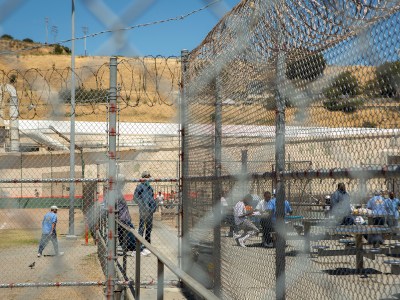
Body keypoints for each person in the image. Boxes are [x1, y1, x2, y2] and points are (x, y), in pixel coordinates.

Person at [115, 174, 150, 257]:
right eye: (122, 183)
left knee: (127, 234)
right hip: (122, 218)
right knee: (131, 234)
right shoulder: (115, 192)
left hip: (123, 217)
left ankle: (136, 248)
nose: (123, 185)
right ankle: (137, 249)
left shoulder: (117, 191)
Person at [134, 171, 157, 244]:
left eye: (149, 178)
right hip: (143, 211)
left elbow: (152, 198)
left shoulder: (150, 188)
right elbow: (135, 198)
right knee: (142, 227)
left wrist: (153, 207)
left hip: (150, 211)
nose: (148, 179)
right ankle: (139, 243)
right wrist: (142, 205)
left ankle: (147, 243)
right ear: (143, 178)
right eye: (146, 178)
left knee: (149, 228)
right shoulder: (140, 187)